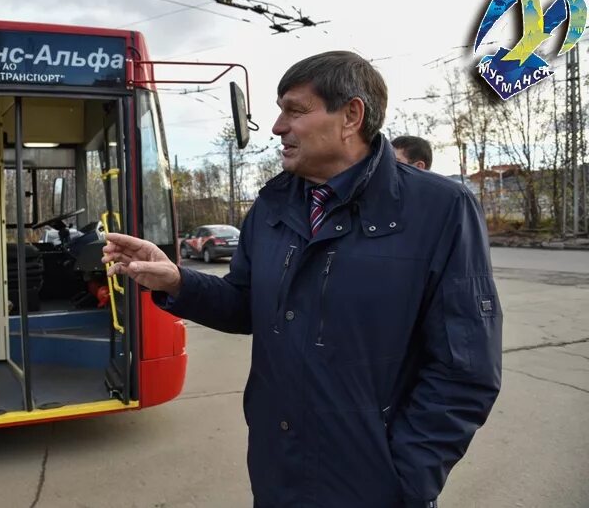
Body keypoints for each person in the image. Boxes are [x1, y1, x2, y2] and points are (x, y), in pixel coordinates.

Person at [102, 51, 502, 508]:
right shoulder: (273, 205)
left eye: (295, 110)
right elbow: (243, 303)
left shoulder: (441, 209)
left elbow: (465, 370)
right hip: (279, 472)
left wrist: (406, 479)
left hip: (376, 487)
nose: (277, 126)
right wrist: (177, 281)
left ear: (351, 115)